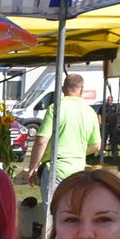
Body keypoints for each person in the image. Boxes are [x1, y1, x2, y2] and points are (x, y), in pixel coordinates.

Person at [23, 73, 101, 208]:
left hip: (55, 169)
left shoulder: (56, 107)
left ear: (63, 88)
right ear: (82, 90)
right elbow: (96, 146)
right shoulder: (91, 112)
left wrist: (32, 168)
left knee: (52, 214)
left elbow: (41, 141)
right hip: (78, 170)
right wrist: (79, 151)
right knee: (73, 212)